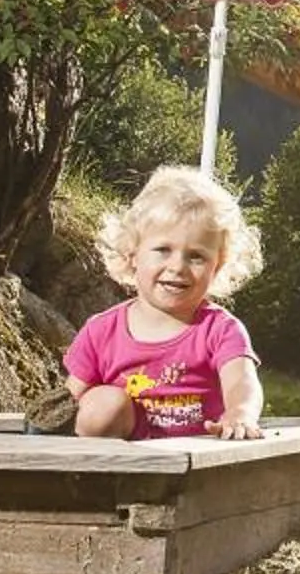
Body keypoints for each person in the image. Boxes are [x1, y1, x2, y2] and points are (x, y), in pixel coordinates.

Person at [65, 165, 270, 440]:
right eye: (163, 250)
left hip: (195, 464)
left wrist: (240, 413)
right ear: (132, 254)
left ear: (217, 266)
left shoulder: (219, 329)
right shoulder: (101, 331)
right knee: (102, 405)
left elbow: (242, 381)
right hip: (115, 463)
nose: (178, 267)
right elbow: (69, 400)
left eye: (196, 256)